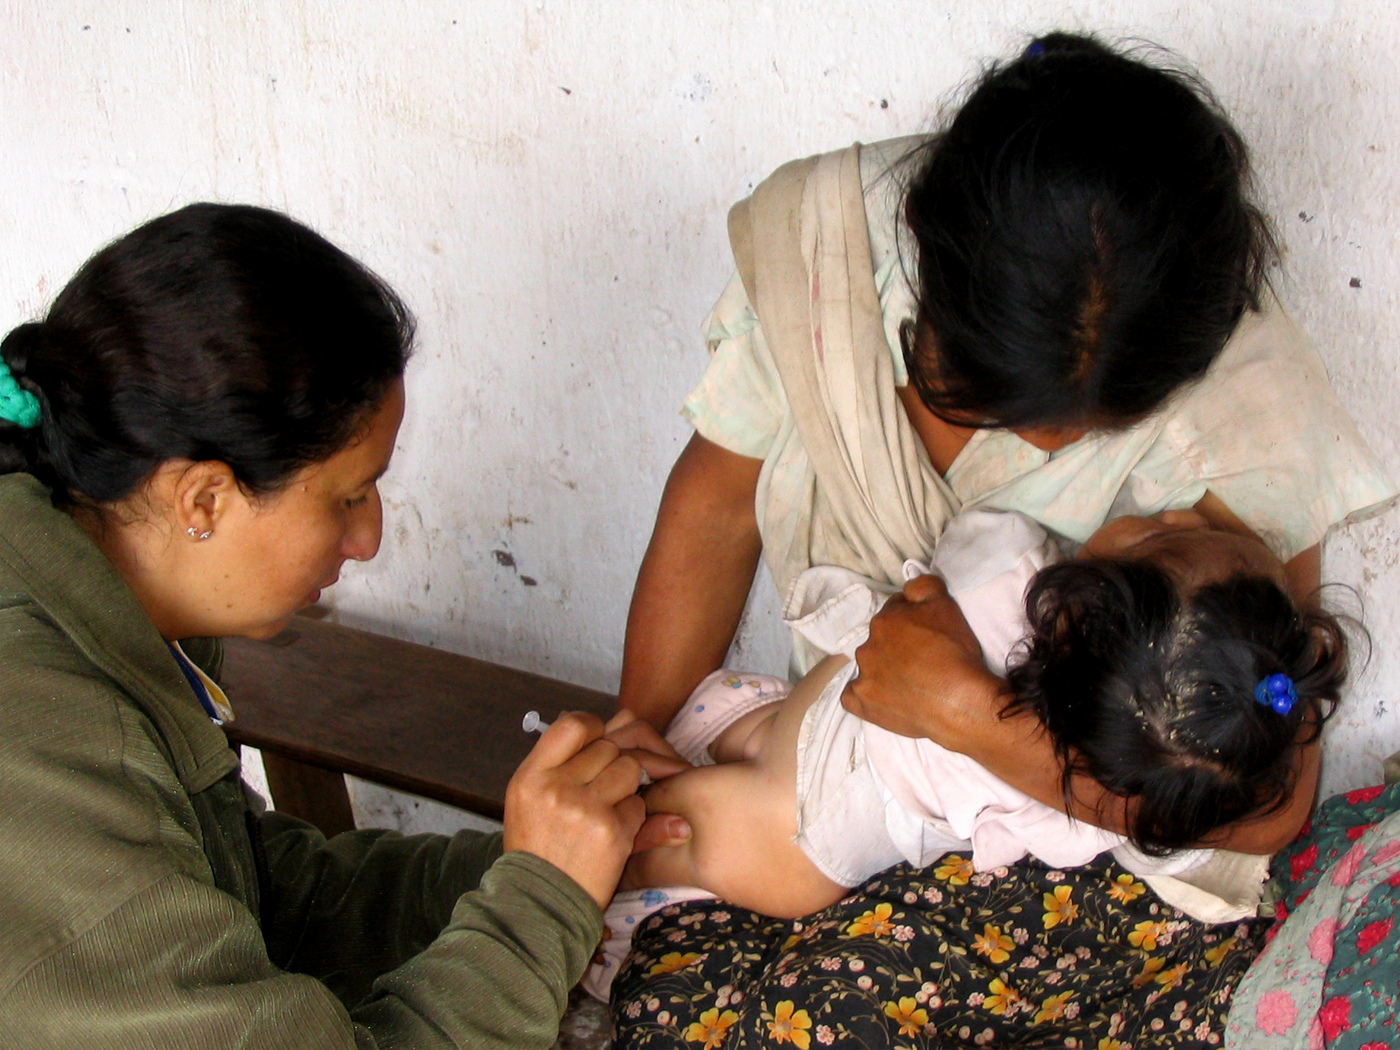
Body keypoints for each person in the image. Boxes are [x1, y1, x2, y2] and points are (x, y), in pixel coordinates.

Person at [611, 30, 1395, 1048]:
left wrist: (978, 723)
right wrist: (634, 740)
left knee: (812, 1016)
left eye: (1094, 430)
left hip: (1104, 855)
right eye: (988, 392)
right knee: (653, 967)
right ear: (923, 263)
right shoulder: (830, 260)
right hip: (849, 761)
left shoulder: (1242, 407)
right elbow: (714, 509)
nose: (1041, 441)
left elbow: (1268, 799)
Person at [0, 203, 686, 1049]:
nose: (370, 539)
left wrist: (554, 864)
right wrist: (540, 898)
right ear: (203, 499)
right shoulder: (46, 742)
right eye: (348, 496)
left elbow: (257, 902)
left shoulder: (110, 596)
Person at [585, 509, 1347, 998]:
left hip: (807, 776)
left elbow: (938, 566)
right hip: (823, 812)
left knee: (653, 836)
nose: (1171, 506)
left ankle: (578, 913)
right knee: (715, 798)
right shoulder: (1110, 797)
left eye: (1162, 525)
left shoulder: (1010, 564)